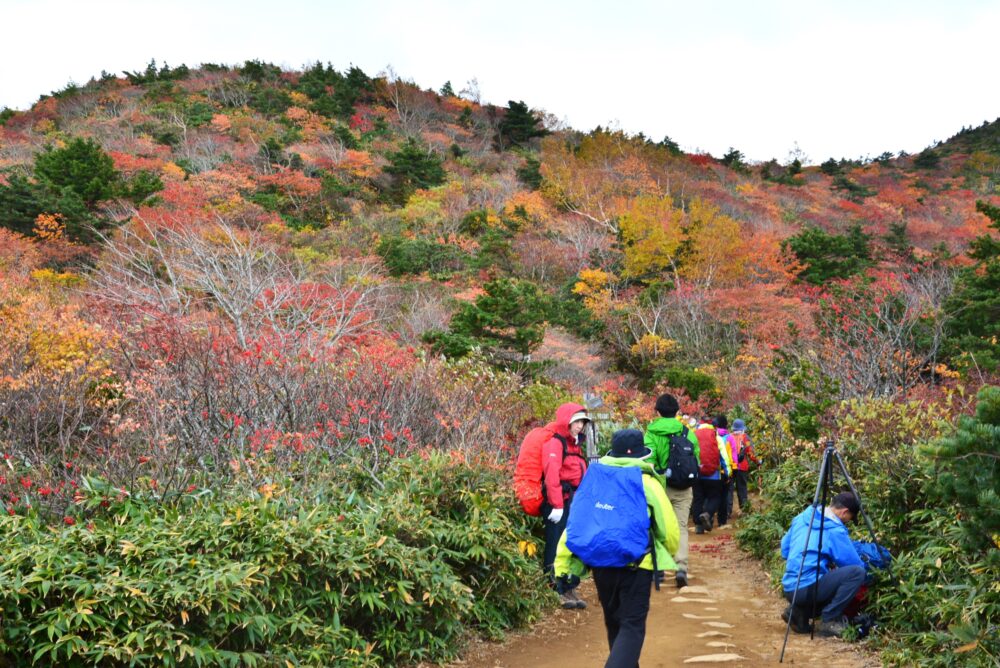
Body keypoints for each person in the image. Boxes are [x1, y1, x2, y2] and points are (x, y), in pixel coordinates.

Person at [554, 429, 679, 668]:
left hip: (601, 565)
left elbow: (575, 526)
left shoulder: (593, 480)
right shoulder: (647, 482)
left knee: (615, 624)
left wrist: (561, 566)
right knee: (632, 627)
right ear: (642, 455)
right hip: (636, 564)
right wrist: (667, 555)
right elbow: (669, 529)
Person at [781, 491, 866, 637]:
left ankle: (798, 612)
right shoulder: (835, 530)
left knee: (824, 576)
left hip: (789, 587)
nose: (847, 522)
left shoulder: (802, 517)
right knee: (857, 573)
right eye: (849, 518)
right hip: (807, 588)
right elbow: (853, 563)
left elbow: (785, 549)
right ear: (844, 512)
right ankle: (829, 620)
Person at [644, 393, 699, 588]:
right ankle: (681, 567)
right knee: (681, 527)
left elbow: (648, 462)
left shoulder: (651, 434)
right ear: (677, 411)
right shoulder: (687, 432)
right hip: (684, 487)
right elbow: (696, 458)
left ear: (657, 411)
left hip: (660, 488)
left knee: (657, 526)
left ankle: (658, 568)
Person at [541, 402, 590, 609]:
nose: (579, 425)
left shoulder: (575, 444)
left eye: (582, 422)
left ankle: (570, 586)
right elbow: (551, 475)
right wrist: (557, 505)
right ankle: (555, 588)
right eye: (576, 421)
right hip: (559, 502)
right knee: (555, 544)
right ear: (566, 421)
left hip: (573, 502)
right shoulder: (556, 443)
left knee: (572, 545)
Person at [692, 417, 728, 532]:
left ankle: (698, 526)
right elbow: (723, 456)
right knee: (714, 497)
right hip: (713, 474)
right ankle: (707, 514)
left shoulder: (693, 435)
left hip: (697, 473)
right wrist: (728, 472)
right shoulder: (716, 435)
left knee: (698, 498)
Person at [728, 419, 758, 515]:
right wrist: (758, 461)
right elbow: (750, 451)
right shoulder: (745, 438)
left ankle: (727, 512)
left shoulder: (729, 437)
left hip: (730, 467)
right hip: (742, 467)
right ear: (743, 428)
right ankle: (744, 510)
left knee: (729, 490)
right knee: (742, 488)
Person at [712, 415, 738, 525]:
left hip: (713, 470)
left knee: (712, 495)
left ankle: (710, 516)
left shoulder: (712, 435)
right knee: (725, 494)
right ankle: (723, 519)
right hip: (726, 471)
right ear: (726, 424)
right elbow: (733, 454)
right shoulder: (729, 437)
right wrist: (734, 468)